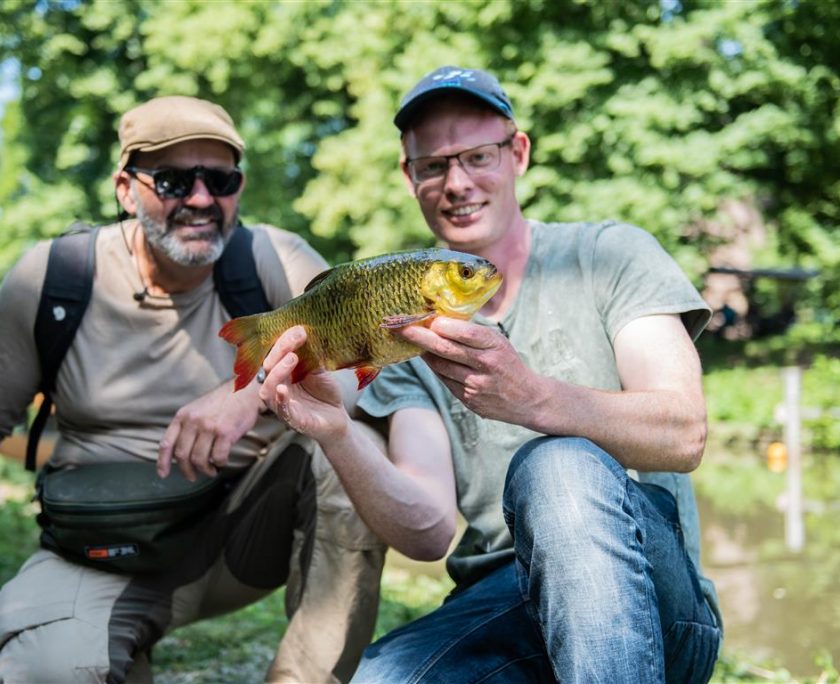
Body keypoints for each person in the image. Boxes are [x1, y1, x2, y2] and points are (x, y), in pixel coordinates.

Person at [0, 95, 384, 684]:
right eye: (174, 179)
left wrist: (252, 389)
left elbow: (353, 385)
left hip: (238, 540)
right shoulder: (55, 276)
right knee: (38, 673)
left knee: (347, 451)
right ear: (126, 189)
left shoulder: (275, 260)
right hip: (103, 546)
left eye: (221, 178)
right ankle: (110, 645)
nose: (202, 198)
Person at [257, 66, 723, 683]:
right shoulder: (404, 326)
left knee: (556, 466)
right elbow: (426, 531)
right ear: (410, 177)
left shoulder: (611, 254)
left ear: (518, 153)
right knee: (383, 678)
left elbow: (684, 432)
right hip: (503, 604)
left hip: (650, 599)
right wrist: (337, 431)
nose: (457, 183)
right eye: (433, 165)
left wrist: (532, 399)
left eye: (478, 155)